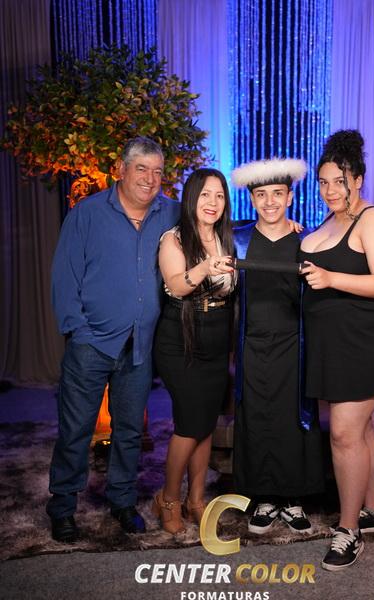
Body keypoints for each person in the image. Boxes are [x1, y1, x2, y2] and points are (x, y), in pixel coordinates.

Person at [47, 137, 180, 542]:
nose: (150, 179)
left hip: (139, 345)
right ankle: (63, 508)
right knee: (75, 430)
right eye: (141, 169)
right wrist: (78, 331)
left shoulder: (170, 212)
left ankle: (122, 501)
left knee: (129, 432)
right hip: (91, 344)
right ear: (121, 170)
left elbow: (212, 224)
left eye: (157, 171)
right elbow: (64, 277)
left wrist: (275, 228)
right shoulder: (87, 214)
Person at [299, 130, 374, 571]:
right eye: (324, 182)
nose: (330, 190)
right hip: (333, 345)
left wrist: (331, 279)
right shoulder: (326, 224)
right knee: (360, 430)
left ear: (358, 180)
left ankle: (349, 531)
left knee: (345, 433)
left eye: (339, 182)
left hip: (365, 344)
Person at [231, 158, 325, 536]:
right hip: (252, 343)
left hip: (294, 344)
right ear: (252, 199)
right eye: (261, 194)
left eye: (277, 194)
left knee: (292, 418)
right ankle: (265, 498)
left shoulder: (307, 239)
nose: (269, 202)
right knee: (257, 417)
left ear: (289, 197)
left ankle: (292, 497)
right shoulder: (238, 239)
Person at [152, 168, 236, 535]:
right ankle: (169, 499)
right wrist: (203, 267)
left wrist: (295, 228)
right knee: (189, 424)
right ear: (191, 198)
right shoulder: (174, 239)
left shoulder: (226, 237)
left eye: (219, 195)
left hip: (217, 340)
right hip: (180, 340)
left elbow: (269, 234)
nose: (213, 202)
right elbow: (175, 285)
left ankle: (196, 500)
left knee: (205, 424)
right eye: (205, 194)